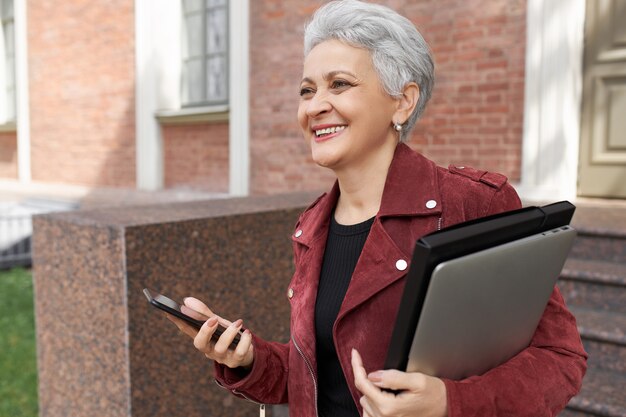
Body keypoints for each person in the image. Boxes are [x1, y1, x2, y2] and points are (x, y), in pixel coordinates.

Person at [167, 1, 587, 416]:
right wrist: (247, 358)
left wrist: (448, 402)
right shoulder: (311, 225)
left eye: (340, 84)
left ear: (402, 102)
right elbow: (318, 378)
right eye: (307, 90)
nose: (314, 106)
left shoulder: (470, 203)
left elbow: (560, 357)